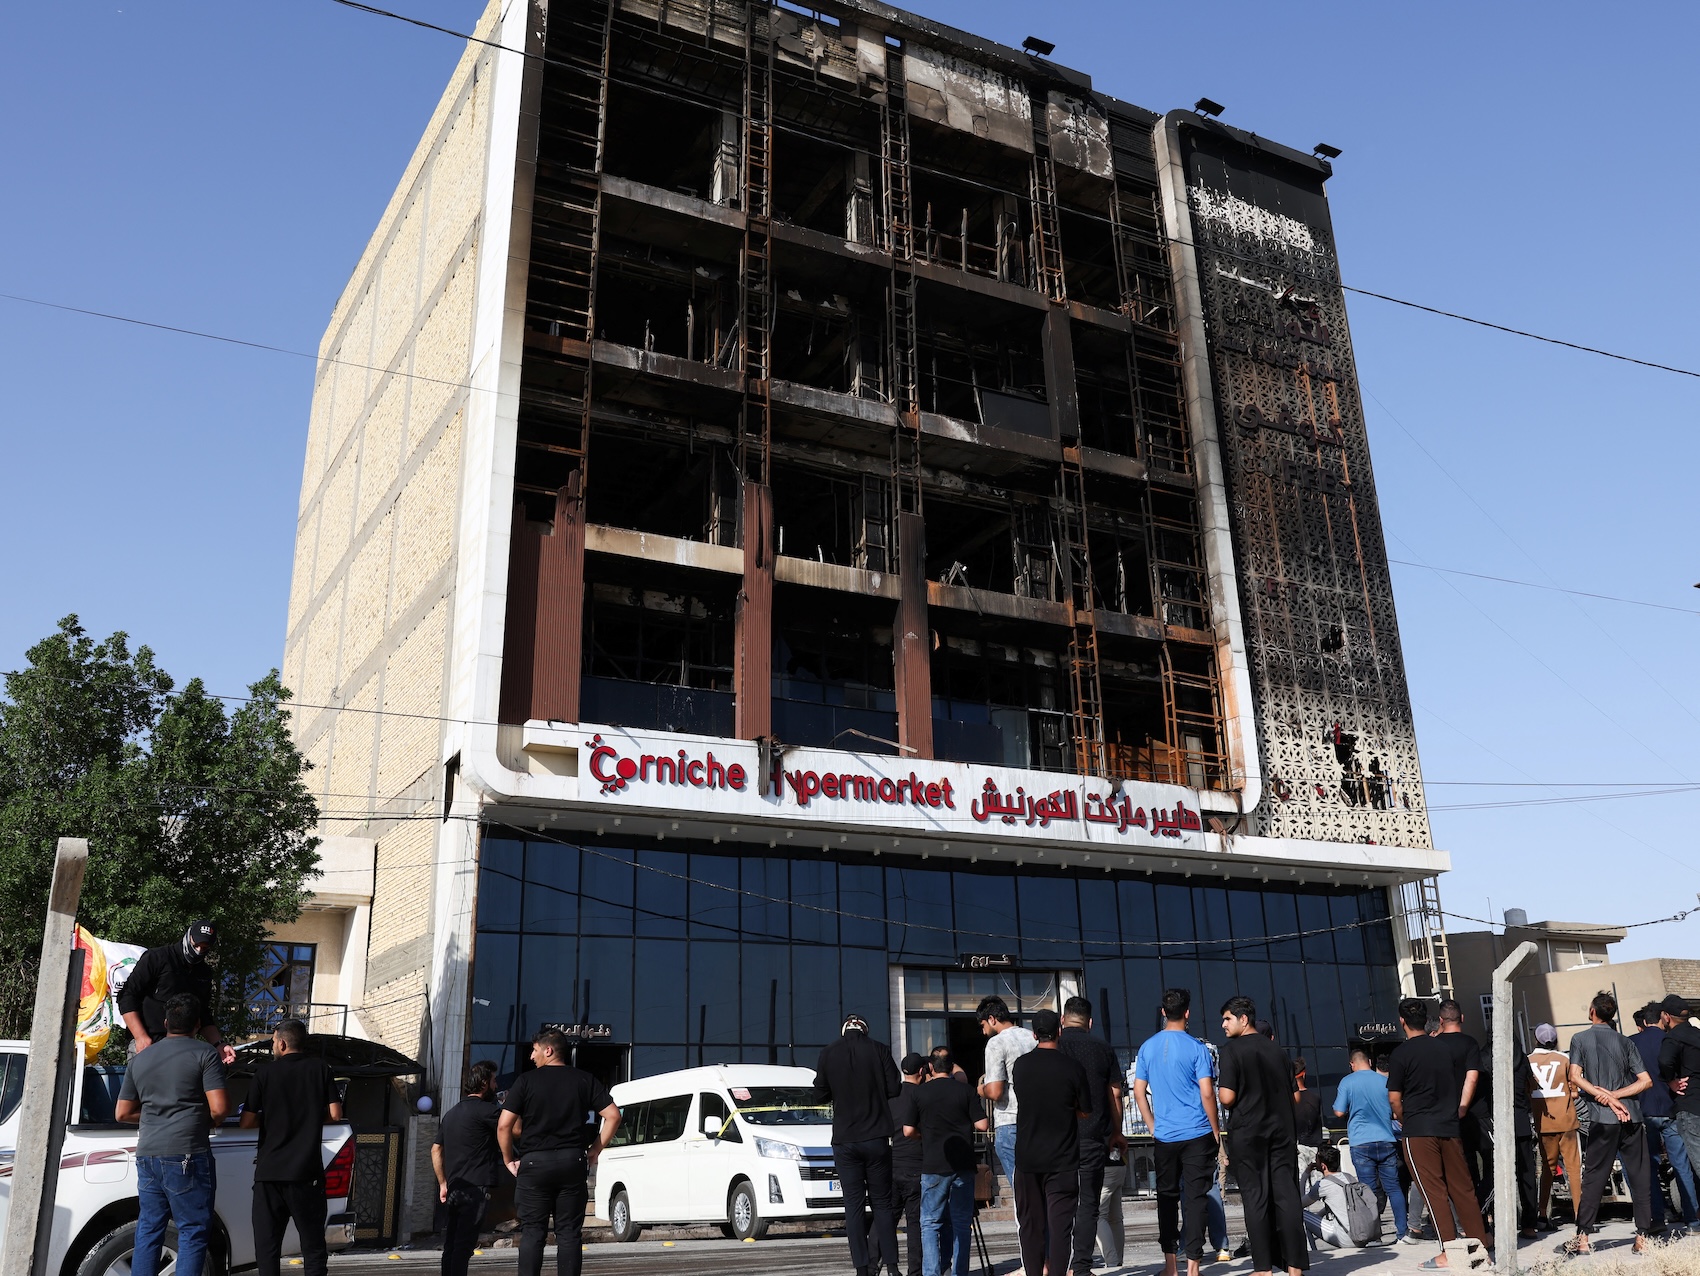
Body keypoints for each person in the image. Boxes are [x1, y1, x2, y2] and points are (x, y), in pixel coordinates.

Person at [113, 994, 229, 1276]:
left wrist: (158, 1114)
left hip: (147, 1154)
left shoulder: (141, 1059)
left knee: (149, 1228)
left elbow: (122, 1113)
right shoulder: (205, 1054)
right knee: (192, 1230)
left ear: (166, 1023)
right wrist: (193, 1118)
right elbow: (219, 1109)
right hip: (187, 1152)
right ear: (198, 1024)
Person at [497, 1027, 621, 1276]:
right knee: (569, 1234)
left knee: (533, 1232)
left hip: (534, 1164)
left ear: (548, 1050)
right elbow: (613, 1115)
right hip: (571, 1161)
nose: (531, 1056)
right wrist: (595, 1149)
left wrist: (508, 1159)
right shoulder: (583, 1079)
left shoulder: (526, 1081)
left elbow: (504, 1125)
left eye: (534, 1050)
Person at [1386, 997, 1490, 1267]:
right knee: (1463, 1188)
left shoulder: (1400, 1054)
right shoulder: (1444, 1049)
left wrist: (1403, 1118)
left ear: (1402, 1021)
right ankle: (1480, 1247)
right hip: (1449, 1125)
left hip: (1419, 1129)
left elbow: (1394, 1099)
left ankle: (1449, 1252)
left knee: (1433, 1192)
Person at [239, 1018, 342, 1276]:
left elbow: (246, 1122)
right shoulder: (321, 1069)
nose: (273, 1046)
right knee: (313, 1247)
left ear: (282, 1043)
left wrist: (272, 1118)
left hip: (269, 1174)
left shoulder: (264, 1073)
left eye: (274, 1041)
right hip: (306, 1174)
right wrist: (308, 1117)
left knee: (268, 1248)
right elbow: (335, 1114)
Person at [1133, 989, 1220, 1276]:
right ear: (1187, 1013)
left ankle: (1170, 1266)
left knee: (1167, 1198)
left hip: (1165, 1136)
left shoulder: (1147, 1047)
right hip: (1197, 1132)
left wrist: (1152, 1125)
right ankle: (1193, 1267)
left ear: (1163, 1012)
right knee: (1195, 1200)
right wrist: (1216, 1130)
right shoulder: (1197, 1048)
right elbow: (1207, 1092)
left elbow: (1138, 1092)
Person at [1561, 991, 1653, 1257]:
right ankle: (1642, 1237)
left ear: (1592, 1012)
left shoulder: (1580, 1039)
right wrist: (1617, 1095)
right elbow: (1645, 1081)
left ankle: (1583, 1239)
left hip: (1602, 1118)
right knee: (1639, 1176)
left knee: (1594, 1177)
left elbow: (1575, 1076)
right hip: (1631, 1116)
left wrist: (1606, 1096)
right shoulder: (1626, 1041)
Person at [1218, 996, 1306, 1276]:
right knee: (1287, 1196)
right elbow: (1294, 1096)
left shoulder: (1231, 1051)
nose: (1223, 1025)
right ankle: (1295, 1267)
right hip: (1282, 1131)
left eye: (1227, 1019)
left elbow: (1227, 1097)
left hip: (1248, 1132)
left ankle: (1263, 1268)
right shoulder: (1278, 1052)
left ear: (1244, 1019)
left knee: (1255, 1198)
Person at [814, 1013, 902, 1276]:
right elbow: (895, 1088)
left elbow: (819, 1094)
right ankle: (892, 1267)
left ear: (844, 1029)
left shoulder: (828, 1052)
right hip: (876, 1137)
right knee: (882, 1204)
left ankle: (862, 1269)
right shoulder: (879, 1049)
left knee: (853, 1205)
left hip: (845, 1139)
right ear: (865, 1029)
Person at [1011, 1010, 1091, 1276]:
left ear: (1034, 1034)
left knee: (1030, 1225)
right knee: (1061, 1226)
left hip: (1028, 1158)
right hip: (1063, 1159)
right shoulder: (1073, 1067)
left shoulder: (1021, 1066)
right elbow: (1085, 1110)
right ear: (1059, 1031)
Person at [904, 1056, 987, 1276]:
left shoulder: (919, 1093)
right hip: (963, 1163)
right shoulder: (966, 1091)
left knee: (930, 1223)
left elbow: (907, 1131)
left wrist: (924, 1135)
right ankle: (959, 1272)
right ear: (951, 1069)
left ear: (930, 1068)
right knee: (961, 1223)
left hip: (933, 1163)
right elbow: (982, 1124)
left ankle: (931, 1272)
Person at [1059, 995, 1123, 1276]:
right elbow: (1115, 1093)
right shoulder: (1103, 1048)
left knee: (1058, 1203)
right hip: (1092, 1137)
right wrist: (1117, 1132)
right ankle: (1081, 1266)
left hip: (1057, 1140)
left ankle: (1058, 1264)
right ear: (1091, 1022)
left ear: (1063, 1020)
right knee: (1088, 1205)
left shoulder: (1053, 1046)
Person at [117, 920, 235, 1064]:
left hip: (184, 1049)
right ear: (188, 936)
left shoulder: (204, 972)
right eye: (196, 945)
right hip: (148, 1043)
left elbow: (203, 1014)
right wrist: (140, 1037)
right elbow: (126, 996)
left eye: (204, 947)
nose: (198, 950)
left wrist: (219, 1044)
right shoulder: (157, 957)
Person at [433, 1060, 507, 1276]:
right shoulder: (487, 1111)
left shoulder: (451, 1114)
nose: (496, 1085)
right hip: (476, 1187)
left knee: (451, 1244)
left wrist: (443, 1183)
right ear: (484, 1083)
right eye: (493, 1081)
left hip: (455, 1188)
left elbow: (436, 1149)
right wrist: (510, 1107)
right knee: (464, 1245)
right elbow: (513, 1129)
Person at [1632, 1002, 1699, 1234]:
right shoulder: (1672, 1040)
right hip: (1672, 1108)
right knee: (1682, 1166)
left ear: (1643, 1022)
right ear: (1662, 1018)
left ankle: (1657, 1219)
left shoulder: (1632, 1042)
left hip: (1645, 1111)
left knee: (1649, 1167)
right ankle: (1693, 1220)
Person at [1332, 1047, 1408, 1242]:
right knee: (1394, 1188)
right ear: (1370, 1062)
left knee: (1368, 1191)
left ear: (1352, 1064)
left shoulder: (1347, 1082)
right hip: (1386, 1140)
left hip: (1361, 1142)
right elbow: (1394, 1109)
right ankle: (1403, 1232)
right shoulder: (1384, 1082)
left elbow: (1339, 1112)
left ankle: (1374, 1236)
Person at [977, 996, 1036, 1198]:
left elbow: (995, 1091)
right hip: (1037, 1120)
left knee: (1022, 1193)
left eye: (983, 1025)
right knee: (1039, 1189)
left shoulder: (996, 1043)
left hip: (1010, 1120)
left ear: (992, 1019)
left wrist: (981, 1090)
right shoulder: (1032, 1037)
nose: (983, 1031)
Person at [1528, 1022, 1581, 1228]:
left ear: (1536, 1040)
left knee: (1547, 1168)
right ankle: (1580, 1214)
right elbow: (1575, 1091)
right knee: (1573, 1168)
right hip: (1566, 1120)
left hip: (1544, 1122)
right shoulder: (1564, 1059)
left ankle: (1542, 1213)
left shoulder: (1528, 1060)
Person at [889, 1054, 929, 1276]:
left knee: (886, 1220)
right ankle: (915, 1271)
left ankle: (875, 1266)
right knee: (915, 1224)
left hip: (893, 1163)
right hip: (916, 1164)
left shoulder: (892, 1095)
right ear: (922, 1071)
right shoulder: (922, 1096)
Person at [1658, 995, 1700, 1192]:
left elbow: (1665, 1061)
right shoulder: (1697, 1034)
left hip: (1690, 1105)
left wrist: (1671, 1081)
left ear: (1667, 1017)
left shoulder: (1673, 1037)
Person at [1301, 1145, 1362, 1249]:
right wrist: (1317, 1217)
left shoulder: (1323, 1184)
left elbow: (1299, 1204)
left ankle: (1312, 1252)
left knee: (1300, 1215)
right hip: (1362, 1234)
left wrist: (1306, 1174)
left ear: (1323, 1166)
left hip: (1346, 1238)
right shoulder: (1349, 1178)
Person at [1292, 1060, 1325, 1179]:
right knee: (1318, 1183)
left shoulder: (1287, 1100)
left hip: (1297, 1147)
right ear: (1304, 1074)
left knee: (1302, 1182)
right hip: (1315, 1147)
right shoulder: (1315, 1098)